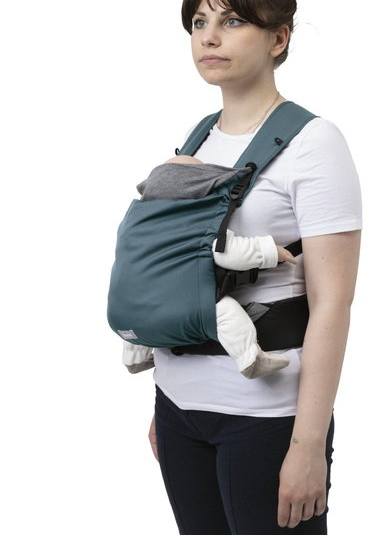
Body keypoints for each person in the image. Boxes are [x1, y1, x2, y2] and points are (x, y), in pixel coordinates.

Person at [143, 0, 361, 535]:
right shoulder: (197, 139)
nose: (209, 37)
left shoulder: (314, 144)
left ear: (278, 38)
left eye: (232, 20)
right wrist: (168, 404)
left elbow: (332, 304)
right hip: (180, 407)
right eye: (199, 23)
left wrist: (308, 445)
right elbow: (180, 276)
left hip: (266, 418)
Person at [122, 153, 298, 379]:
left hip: (129, 311)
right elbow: (228, 252)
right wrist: (271, 251)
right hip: (180, 308)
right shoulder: (196, 223)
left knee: (138, 316)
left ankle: (134, 358)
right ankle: (250, 358)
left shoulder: (134, 226)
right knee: (225, 313)